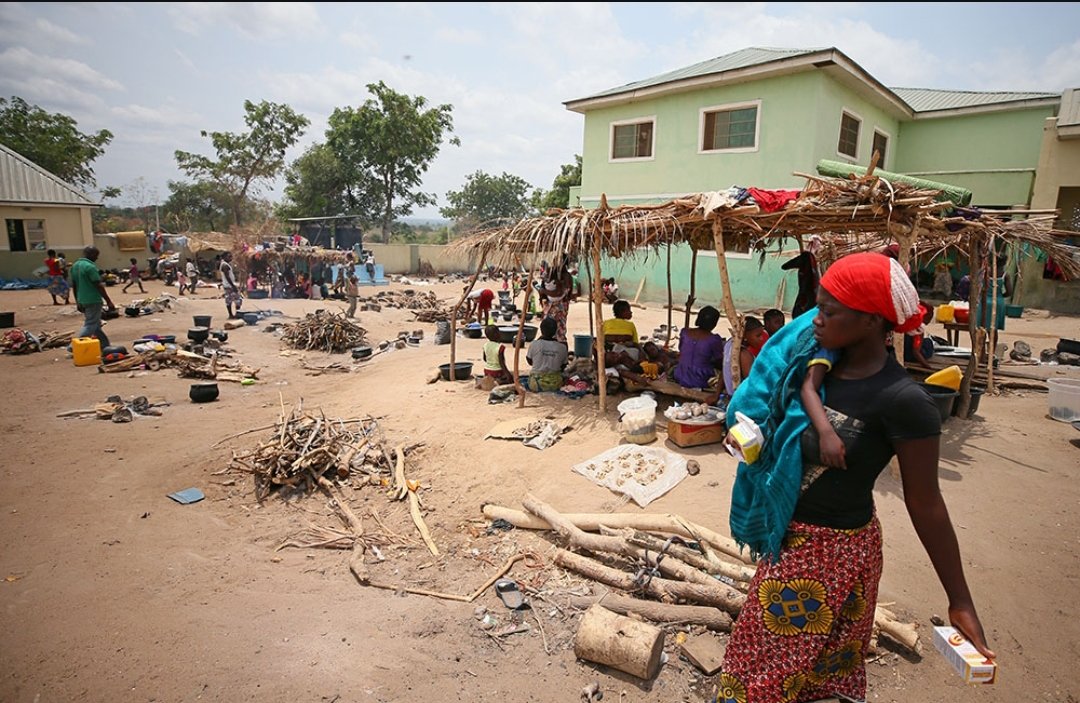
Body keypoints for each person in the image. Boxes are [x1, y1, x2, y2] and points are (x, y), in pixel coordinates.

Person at [719, 252, 993, 703]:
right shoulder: (812, 366)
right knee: (757, 667)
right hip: (785, 542)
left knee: (798, 676)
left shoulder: (904, 401)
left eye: (828, 311)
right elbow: (770, 417)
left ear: (870, 321)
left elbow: (925, 503)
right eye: (817, 308)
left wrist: (959, 599)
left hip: (840, 554)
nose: (816, 320)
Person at [70, 246, 116, 348]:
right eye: (96, 255)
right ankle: (74, 346)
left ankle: (104, 344)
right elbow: (98, 285)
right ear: (90, 255)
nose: (97, 258)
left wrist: (77, 301)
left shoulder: (75, 266)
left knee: (95, 324)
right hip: (93, 299)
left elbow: (74, 285)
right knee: (90, 324)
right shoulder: (90, 267)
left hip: (82, 299)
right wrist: (108, 301)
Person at [673, 305, 726, 390]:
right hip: (700, 379)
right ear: (714, 323)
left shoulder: (685, 333)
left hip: (680, 374)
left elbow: (681, 349)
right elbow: (719, 360)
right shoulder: (714, 340)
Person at [722, 316, 768, 396]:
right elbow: (752, 383)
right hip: (742, 397)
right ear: (745, 335)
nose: (761, 339)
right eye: (758, 335)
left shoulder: (729, 344)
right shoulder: (744, 354)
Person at [781, 236, 821, 318]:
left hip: (807, 295)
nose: (818, 246)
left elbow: (785, 266)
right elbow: (785, 266)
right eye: (816, 243)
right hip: (808, 296)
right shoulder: (807, 257)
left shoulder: (811, 259)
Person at [526, 317, 568, 392]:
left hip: (536, 384)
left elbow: (529, 361)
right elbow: (563, 366)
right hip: (556, 384)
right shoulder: (562, 347)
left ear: (541, 329)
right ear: (555, 331)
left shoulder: (534, 344)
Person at [602, 299, 641, 369]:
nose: (631, 312)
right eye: (629, 310)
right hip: (623, 356)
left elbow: (601, 340)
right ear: (622, 312)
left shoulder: (606, 323)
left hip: (610, 357)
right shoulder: (631, 325)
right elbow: (635, 343)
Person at [542, 263, 574, 343]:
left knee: (559, 329)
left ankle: (559, 345)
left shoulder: (566, 276)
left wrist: (544, 291)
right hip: (556, 305)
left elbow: (560, 293)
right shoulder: (558, 275)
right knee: (553, 327)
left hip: (560, 306)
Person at [220, 251, 243, 319]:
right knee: (238, 299)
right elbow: (227, 277)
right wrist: (233, 286)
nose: (231, 258)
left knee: (229, 300)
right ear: (224, 257)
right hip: (229, 286)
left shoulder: (225, 264)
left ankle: (232, 315)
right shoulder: (225, 265)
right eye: (229, 256)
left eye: (231, 256)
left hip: (228, 285)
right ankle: (236, 314)